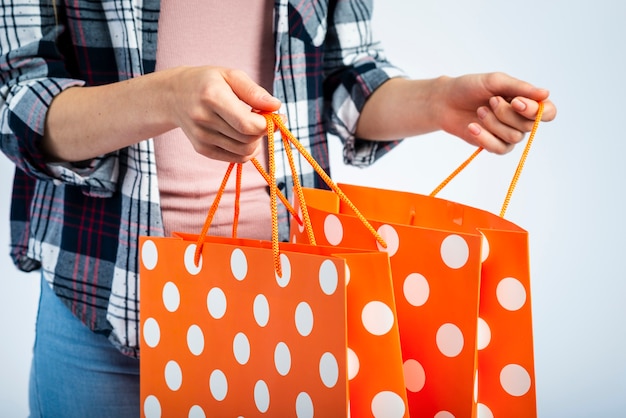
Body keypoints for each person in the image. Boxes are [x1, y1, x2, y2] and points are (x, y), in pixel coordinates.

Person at [0, 0, 556, 417]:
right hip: (103, 301)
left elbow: (348, 76)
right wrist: (163, 98)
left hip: (296, 307)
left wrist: (438, 100)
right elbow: (18, 97)